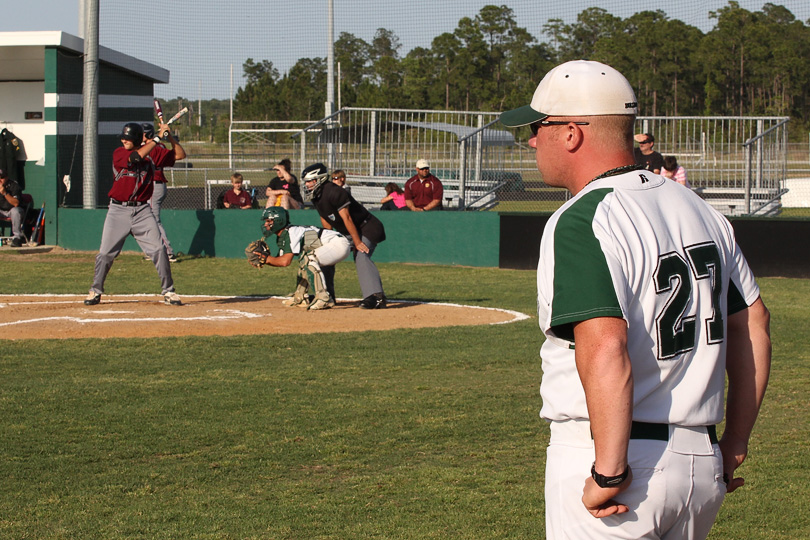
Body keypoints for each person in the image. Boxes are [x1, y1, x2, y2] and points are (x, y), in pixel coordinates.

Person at [500, 59, 771, 540]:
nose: (530, 140)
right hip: (699, 461)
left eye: (538, 127)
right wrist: (734, 443)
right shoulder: (697, 207)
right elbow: (752, 323)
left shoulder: (583, 217)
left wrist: (609, 470)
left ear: (572, 133)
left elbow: (604, 345)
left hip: (618, 461)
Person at [85, 121, 186, 306]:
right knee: (106, 253)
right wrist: (156, 139)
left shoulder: (154, 152)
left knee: (159, 250)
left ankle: (169, 291)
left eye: (128, 138)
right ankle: (95, 290)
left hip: (142, 210)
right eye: (123, 137)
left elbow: (180, 154)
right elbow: (135, 158)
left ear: (138, 139)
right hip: (118, 210)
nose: (124, 140)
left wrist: (168, 137)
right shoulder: (119, 153)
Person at [302, 162, 387, 309]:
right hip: (348, 232)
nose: (307, 184)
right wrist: (326, 241)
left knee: (361, 255)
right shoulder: (316, 196)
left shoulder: (335, 192)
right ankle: (326, 295)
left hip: (367, 226)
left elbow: (347, 218)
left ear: (320, 179)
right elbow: (325, 219)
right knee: (326, 257)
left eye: (310, 181)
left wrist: (357, 242)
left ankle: (376, 296)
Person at [252, 207, 351, 310]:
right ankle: (300, 297)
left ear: (278, 221)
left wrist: (267, 259)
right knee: (305, 261)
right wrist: (264, 261)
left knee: (309, 259)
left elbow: (285, 261)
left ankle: (323, 298)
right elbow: (279, 260)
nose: (265, 224)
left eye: (269, 221)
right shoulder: (284, 235)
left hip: (338, 244)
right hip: (333, 244)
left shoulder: (290, 233)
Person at [142, 123, 177, 262]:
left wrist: (162, 134)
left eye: (143, 134)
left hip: (154, 185)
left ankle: (168, 252)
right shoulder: (159, 145)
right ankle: (153, 250)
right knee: (146, 220)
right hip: (156, 185)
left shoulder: (153, 147)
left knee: (153, 220)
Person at [0, 168, 26, 247]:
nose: (0, 179)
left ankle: (17, 238)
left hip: (13, 210)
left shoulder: (14, 185)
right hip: (1, 211)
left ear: (6, 177)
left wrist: (4, 193)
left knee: (15, 211)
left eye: (2, 177)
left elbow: (16, 203)